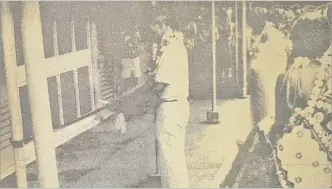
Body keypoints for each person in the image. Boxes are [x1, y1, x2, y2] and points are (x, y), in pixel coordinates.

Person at [263, 11, 332, 188]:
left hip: (294, 161)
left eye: (293, 38)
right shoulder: (328, 76)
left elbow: (279, 125)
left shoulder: (285, 78)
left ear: (302, 42)